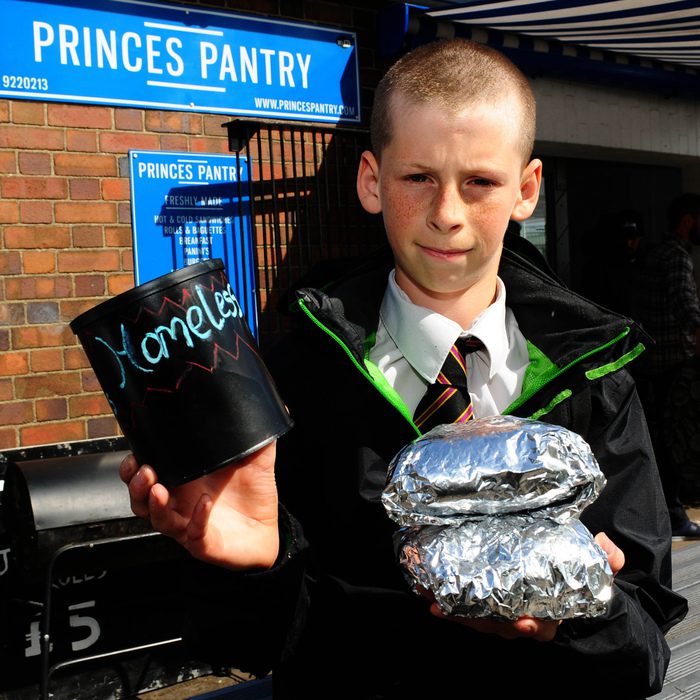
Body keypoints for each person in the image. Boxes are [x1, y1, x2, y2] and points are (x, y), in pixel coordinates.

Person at [119, 39, 687, 698]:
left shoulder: (595, 375)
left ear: (526, 189)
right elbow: (250, 643)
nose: (447, 215)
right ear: (371, 181)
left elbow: (646, 655)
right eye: (418, 178)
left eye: (479, 181)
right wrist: (253, 566)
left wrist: (587, 617)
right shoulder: (295, 371)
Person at [633, 192, 700, 538]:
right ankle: (675, 513)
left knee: (657, 440)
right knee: (675, 442)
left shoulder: (654, 253)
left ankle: (664, 512)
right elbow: (687, 306)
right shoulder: (676, 257)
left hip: (648, 364)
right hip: (672, 366)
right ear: (688, 220)